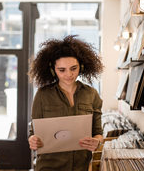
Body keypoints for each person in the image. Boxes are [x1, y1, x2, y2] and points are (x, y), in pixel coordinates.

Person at [28, 35, 104, 171]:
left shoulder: (91, 94)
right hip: (49, 166)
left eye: (73, 68)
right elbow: (33, 133)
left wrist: (97, 142)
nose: (69, 74)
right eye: (62, 70)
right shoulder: (42, 95)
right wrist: (33, 140)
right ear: (53, 70)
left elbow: (97, 132)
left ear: (81, 66)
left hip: (81, 167)